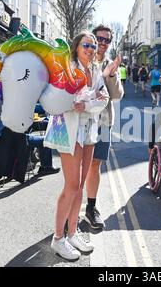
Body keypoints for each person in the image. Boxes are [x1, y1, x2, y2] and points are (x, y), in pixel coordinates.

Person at [49, 31, 110, 261]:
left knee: (81, 185)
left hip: (89, 130)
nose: (91, 49)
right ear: (76, 47)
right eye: (87, 44)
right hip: (68, 129)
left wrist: (87, 104)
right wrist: (81, 102)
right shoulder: (66, 66)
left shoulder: (95, 70)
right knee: (72, 185)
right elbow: (59, 99)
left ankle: (73, 233)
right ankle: (58, 238)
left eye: (94, 46)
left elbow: (103, 99)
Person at [85, 25, 124, 230]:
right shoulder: (83, 57)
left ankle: (91, 208)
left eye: (107, 40)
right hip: (81, 120)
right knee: (78, 165)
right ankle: (70, 211)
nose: (102, 43)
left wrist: (111, 75)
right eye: (99, 38)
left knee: (94, 165)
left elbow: (117, 95)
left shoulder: (110, 64)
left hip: (103, 122)